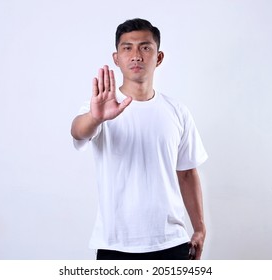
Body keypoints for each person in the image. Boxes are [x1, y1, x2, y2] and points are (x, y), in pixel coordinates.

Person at [71, 18, 208, 260]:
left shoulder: (177, 111)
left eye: (145, 47)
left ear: (159, 57)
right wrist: (95, 117)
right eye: (127, 48)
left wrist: (199, 227)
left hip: (171, 241)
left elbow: (187, 172)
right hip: (116, 243)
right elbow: (78, 131)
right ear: (116, 58)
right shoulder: (101, 107)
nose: (136, 55)